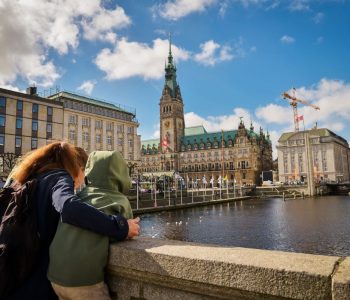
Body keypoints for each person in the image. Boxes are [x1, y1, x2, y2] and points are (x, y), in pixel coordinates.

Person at [5, 142, 140, 300]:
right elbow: (69, 208)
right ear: (79, 167)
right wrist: (120, 227)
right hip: (37, 276)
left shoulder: (33, 175)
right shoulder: (59, 177)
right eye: (85, 173)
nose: (84, 180)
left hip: (18, 265)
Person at [48, 150, 137, 300]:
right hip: (83, 280)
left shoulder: (80, 195)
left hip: (54, 275)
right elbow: (125, 233)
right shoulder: (120, 201)